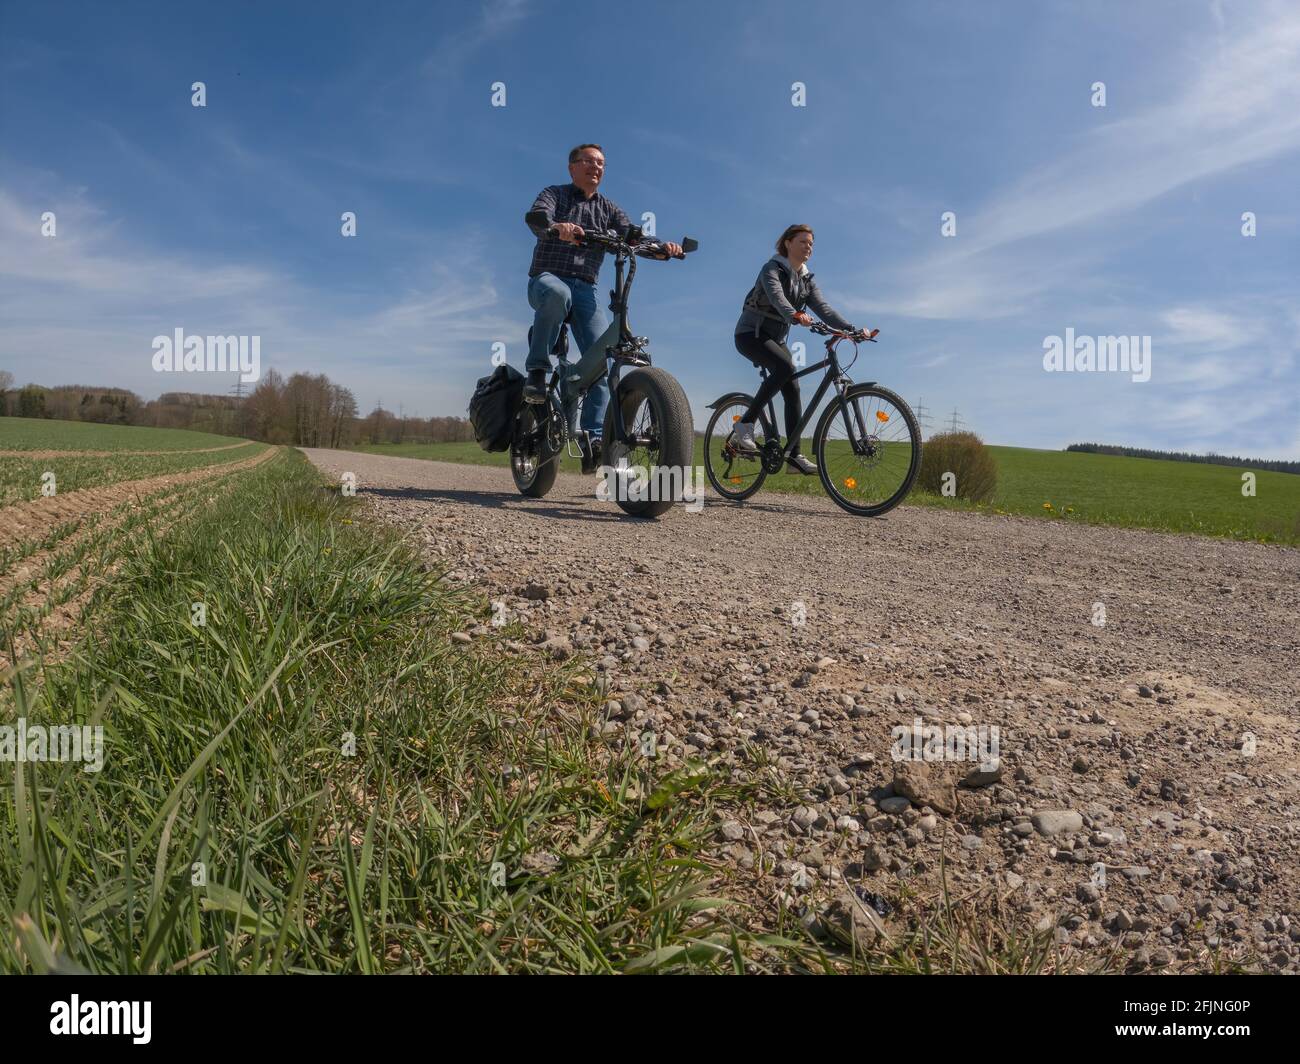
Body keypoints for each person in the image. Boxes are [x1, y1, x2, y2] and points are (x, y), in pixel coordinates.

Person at [523, 144, 682, 474]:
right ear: (572, 167)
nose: (596, 167)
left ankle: (594, 439)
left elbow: (633, 236)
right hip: (549, 277)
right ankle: (537, 370)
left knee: (602, 357)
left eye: (602, 164)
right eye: (589, 162)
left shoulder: (610, 209)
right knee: (556, 295)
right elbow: (538, 217)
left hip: (587, 290)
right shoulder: (554, 194)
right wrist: (557, 227)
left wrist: (663, 248)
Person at [732, 224, 867, 474]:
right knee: (785, 368)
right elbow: (776, 297)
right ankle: (744, 427)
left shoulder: (806, 280)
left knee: (792, 387)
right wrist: (794, 314)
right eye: (803, 242)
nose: (809, 247)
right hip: (751, 334)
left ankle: (793, 456)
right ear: (788, 243)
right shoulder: (772, 269)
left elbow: (824, 309)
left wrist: (851, 329)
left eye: (811, 244)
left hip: (776, 339)